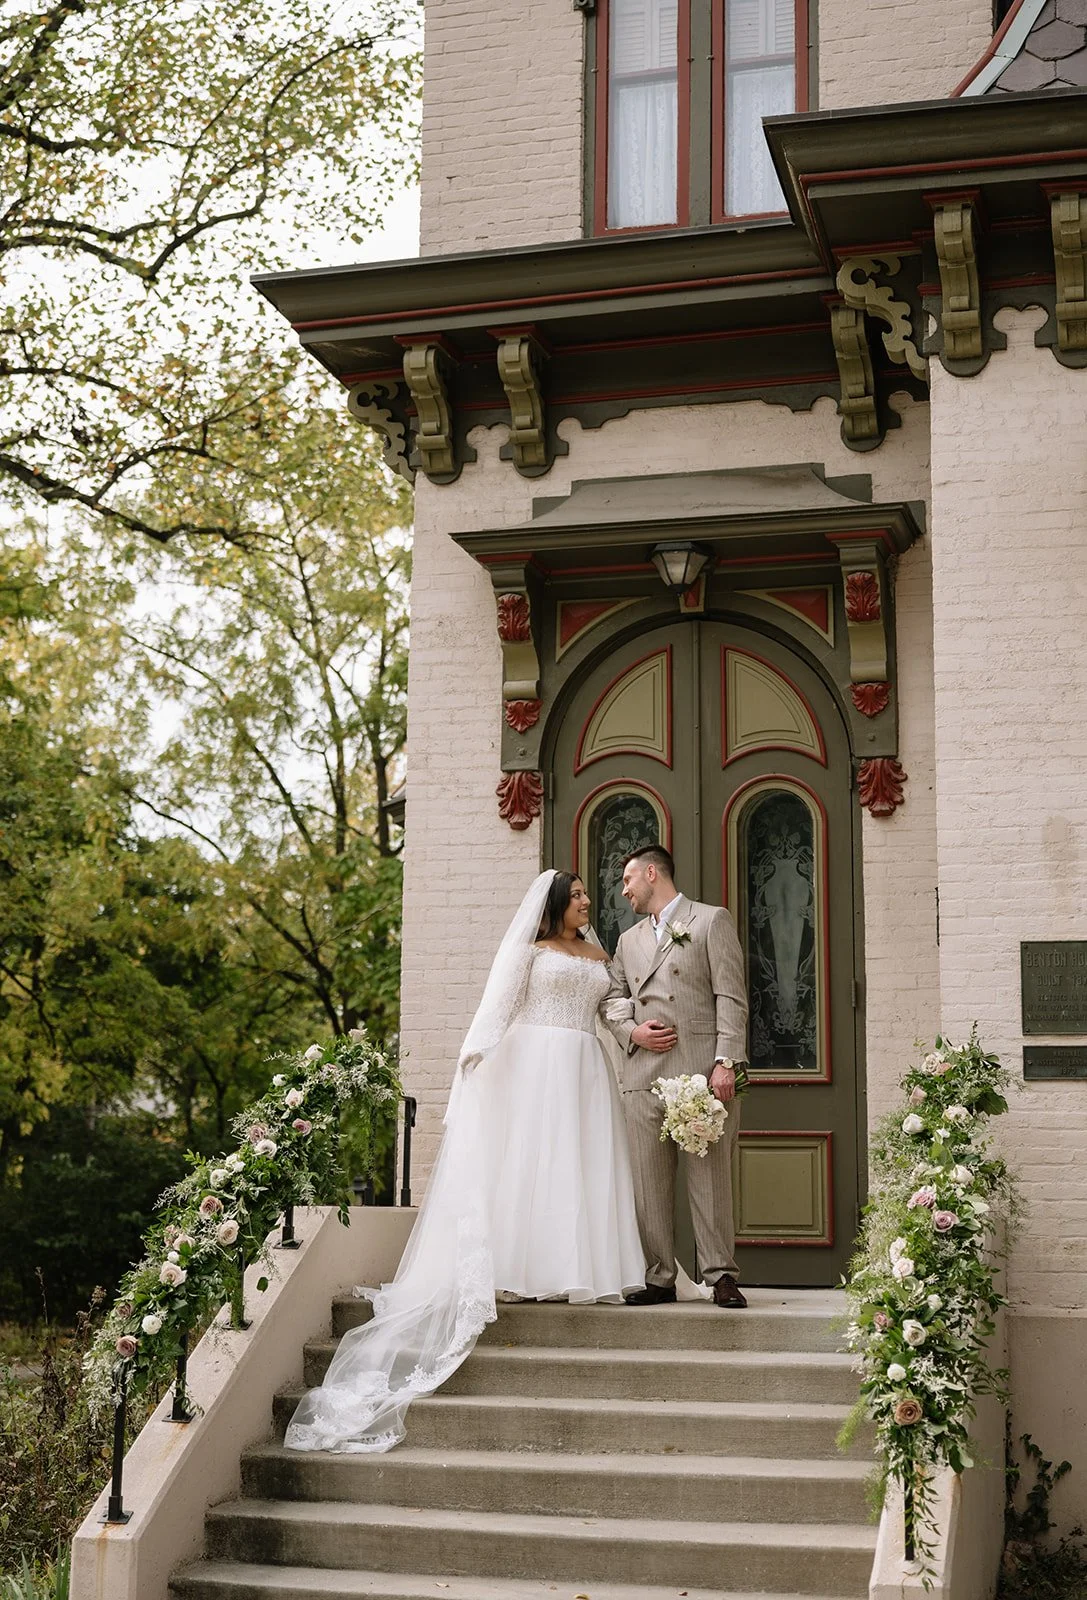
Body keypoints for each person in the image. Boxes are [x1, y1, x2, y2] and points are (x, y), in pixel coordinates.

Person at [284, 868, 645, 1454]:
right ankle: (521, 1272)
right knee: (533, 1169)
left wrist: (637, 1028)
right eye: (577, 895)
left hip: (585, 1067)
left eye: (585, 894)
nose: (586, 901)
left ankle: (575, 1270)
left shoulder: (598, 953)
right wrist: (475, 1053)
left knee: (580, 1171)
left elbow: (611, 1008)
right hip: (535, 1064)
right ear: (555, 904)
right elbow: (501, 1003)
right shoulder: (531, 950)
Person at [604, 845, 750, 1309]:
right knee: (648, 1183)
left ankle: (721, 1275)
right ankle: (659, 1275)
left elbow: (731, 996)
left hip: (700, 1072)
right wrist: (632, 1031)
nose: (624, 891)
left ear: (652, 873)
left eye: (628, 880)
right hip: (643, 1074)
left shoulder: (710, 920)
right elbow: (612, 999)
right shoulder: (627, 941)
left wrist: (727, 1061)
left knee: (711, 1180)